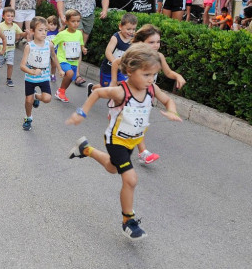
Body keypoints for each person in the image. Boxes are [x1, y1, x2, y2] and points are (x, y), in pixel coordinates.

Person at [66, 43, 182, 240]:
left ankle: (85, 149)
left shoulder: (152, 89)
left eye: (153, 75)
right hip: (116, 140)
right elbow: (97, 92)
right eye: (146, 75)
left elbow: (168, 100)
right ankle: (128, 221)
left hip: (132, 140)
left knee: (112, 168)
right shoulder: (122, 92)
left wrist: (172, 111)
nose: (150, 80)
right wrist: (81, 113)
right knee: (130, 179)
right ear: (129, 71)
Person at [109, 24, 186, 165]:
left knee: (139, 122)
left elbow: (168, 72)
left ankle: (136, 149)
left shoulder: (159, 56)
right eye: (151, 42)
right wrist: (113, 82)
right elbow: (115, 63)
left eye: (158, 42)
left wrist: (178, 76)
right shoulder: (134, 54)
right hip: (131, 93)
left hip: (147, 92)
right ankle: (140, 151)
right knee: (134, 122)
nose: (156, 45)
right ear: (140, 43)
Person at [57, 0, 110, 86]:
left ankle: (65, 64)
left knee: (79, 46)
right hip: (73, 16)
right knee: (77, 43)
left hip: (88, 15)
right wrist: (62, 15)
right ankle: (77, 75)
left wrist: (104, 10)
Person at [19, 16, 63, 131]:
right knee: (28, 101)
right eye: (40, 30)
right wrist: (32, 72)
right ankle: (28, 118)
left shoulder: (49, 44)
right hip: (30, 78)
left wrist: (59, 69)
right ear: (32, 31)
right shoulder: (29, 46)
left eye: (45, 30)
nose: (44, 33)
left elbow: (54, 56)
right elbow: (22, 66)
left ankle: (36, 96)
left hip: (44, 77)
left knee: (47, 98)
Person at [88, 13, 137, 94]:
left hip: (121, 70)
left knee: (123, 85)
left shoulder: (133, 39)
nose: (131, 32)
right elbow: (108, 52)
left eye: (133, 29)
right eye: (128, 29)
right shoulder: (115, 38)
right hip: (107, 69)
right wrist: (115, 63)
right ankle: (92, 88)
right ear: (120, 26)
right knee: (105, 87)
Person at [53, 9, 87, 103]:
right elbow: (52, 43)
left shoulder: (79, 33)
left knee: (70, 78)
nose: (76, 23)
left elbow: (81, 43)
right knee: (70, 73)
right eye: (73, 21)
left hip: (74, 60)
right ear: (67, 22)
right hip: (63, 59)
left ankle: (61, 92)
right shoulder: (62, 34)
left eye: (78, 21)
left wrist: (83, 48)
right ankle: (60, 91)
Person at [0, 7, 24, 87]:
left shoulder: (15, 26)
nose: (10, 17)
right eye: (8, 16)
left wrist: (27, 33)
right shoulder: (0, 26)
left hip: (11, 49)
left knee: (10, 64)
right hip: (0, 49)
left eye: (12, 16)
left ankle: (9, 79)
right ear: (3, 16)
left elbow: (21, 33)